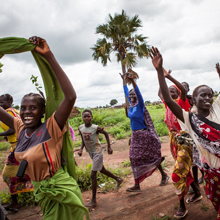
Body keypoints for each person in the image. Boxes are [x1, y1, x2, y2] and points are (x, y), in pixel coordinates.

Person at [0, 36, 88, 220]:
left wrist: (49, 56)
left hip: (61, 191)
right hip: (41, 192)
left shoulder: (52, 126)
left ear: (42, 112)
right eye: (23, 108)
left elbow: (70, 97)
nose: (26, 112)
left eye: (33, 108)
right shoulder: (20, 127)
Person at [151, 47, 220, 219]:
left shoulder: (217, 109)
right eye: (202, 95)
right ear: (193, 99)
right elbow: (167, 98)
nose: (207, 98)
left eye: (210, 95)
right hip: (212, 172)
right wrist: (159, 71)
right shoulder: (189, 119)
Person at [120, 72, 169, 192]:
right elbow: (125, 91)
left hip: (145, 135)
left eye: (133, 93)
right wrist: (124, 81)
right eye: (130, 94)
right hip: (135, 136)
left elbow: (139, 93)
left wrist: (132, 81)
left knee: (152, 157)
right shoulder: (131, 106)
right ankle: (137, 185)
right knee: (133, 158)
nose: (131, 95)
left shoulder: (140, 105)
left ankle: (164, 175)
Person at [78, 109, 123, 208]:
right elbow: (83, 140)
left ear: (92, 117)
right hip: (90, 152)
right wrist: (81, 149)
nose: (86, 118)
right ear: (82, 118)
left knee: (93, 175)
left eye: (88, 116)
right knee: (102, 170)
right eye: (84, 116)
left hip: (98, 152)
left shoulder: (95, 128)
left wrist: (109, 146)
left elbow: (106, 133)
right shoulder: (80, 128)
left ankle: (93, 200)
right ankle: (118, 179)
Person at [0, 94, 34, 211]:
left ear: (10, 101)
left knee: (7, 174)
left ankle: (16, 202)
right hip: (18, 146)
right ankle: (17, 201)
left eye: (2, 102)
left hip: (17, 148)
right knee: (26, 172)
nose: (0, 105)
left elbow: (14, 128)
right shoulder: (15, 111)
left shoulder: (9, 112)